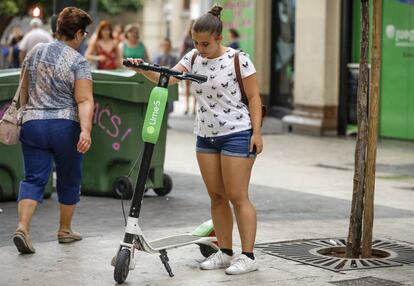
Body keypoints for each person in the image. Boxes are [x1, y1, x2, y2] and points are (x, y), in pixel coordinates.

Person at [126, 5, 263, 275]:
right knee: (216, 196)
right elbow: (167, 79)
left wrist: (257, 133)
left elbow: (256, 98)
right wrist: (143, 70)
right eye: (196, 43)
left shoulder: (239, 59)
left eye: (206, 44)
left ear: (219, 38)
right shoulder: (192, 58)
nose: (201, 49)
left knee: (237, 196)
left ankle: (248, 256)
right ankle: (224, 252)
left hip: (237, 133)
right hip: (205, 135)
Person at [12, 7, 94, 254]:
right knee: (69, 177)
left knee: (33, 178)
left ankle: (23, 228)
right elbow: (84, 100)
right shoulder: (79, 62)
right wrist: (86, 131)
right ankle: (65, 230)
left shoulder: (35, 52)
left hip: (33, 124)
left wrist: (26, 113)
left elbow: (23, 88)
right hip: (64, 127)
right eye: (84, 33)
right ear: (78, 33)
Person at [153, 38, 178, 128]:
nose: (166, 47)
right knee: (159, 101)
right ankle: (160, 122)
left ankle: (166, 121)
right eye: (164, 45)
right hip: (160, 81)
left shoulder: (173, 58)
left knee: (169, 103)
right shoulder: (157, 57)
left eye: (167, 45)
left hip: (170, 82)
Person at [180, 20, 196, 115]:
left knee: (196, 85)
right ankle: (187, 106)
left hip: (196, 62)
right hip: (188, 62)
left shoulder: (197, 36)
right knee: (187, 86)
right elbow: (182, 50)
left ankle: (194, 107)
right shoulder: (186, 37)